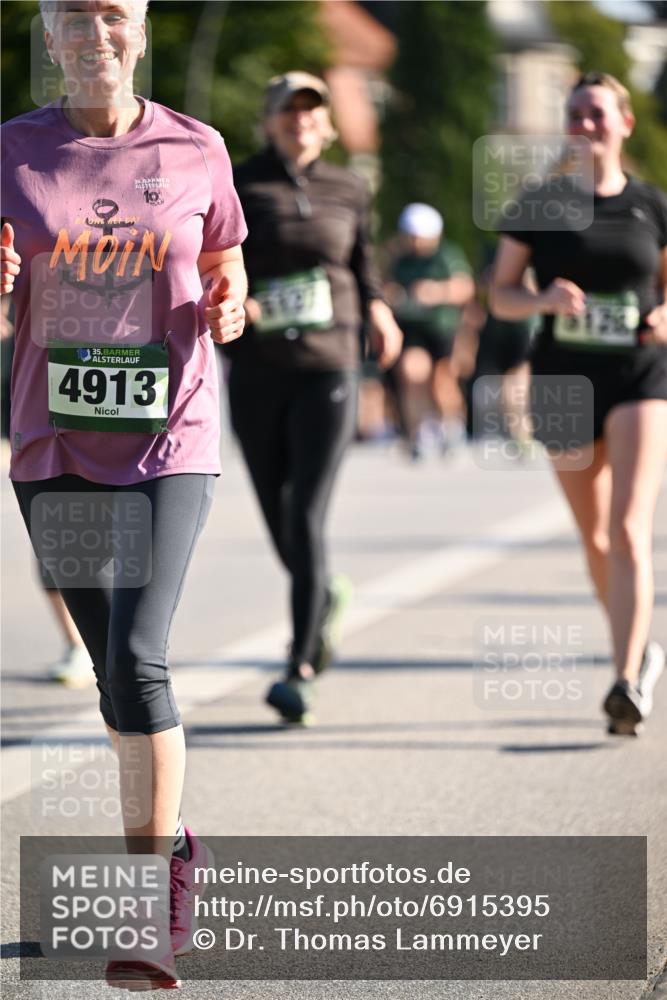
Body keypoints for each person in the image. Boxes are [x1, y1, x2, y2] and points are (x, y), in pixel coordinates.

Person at [1, 0, 247, 988]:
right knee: (109, 668)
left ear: (137, 30)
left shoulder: (197, 148)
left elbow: (227, 265)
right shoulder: (12, 150)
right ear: (50, 37)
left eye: (112, 13)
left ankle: (146, 907)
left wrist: (231, 299)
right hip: (53, 437)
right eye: (73, 14)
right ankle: (175, 837)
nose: (93, 31)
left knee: (141, 658)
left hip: (169, 434)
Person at [491, 71, 667, 736]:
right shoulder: (540, 203)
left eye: (595, 112)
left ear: (623, 122)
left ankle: (625, 680)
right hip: (561, 381)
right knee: (593, 537)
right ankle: (640, 646)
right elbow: (499, 292)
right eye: (573, 114)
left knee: (627, 529)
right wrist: (540, 300)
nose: (584, 124)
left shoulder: (650, 205)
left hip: (639, 376)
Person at [224, 71, 402, 724]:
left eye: (311, 110)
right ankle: (323, 594)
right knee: (277, 514)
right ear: (269, 120)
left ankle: (299, 665)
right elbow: (214, 256)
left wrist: (379, 310)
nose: (300, 119)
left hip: (330, 363)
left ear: (326, 123)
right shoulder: (240, 182)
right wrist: (229, 294)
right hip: (258, 364)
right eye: (287, 110)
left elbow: (361, 266)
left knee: (305, 512)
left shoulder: (348, 186)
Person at [384, 203, 474, 459]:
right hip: (413, 330)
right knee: (412, 372)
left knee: (442, 382)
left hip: (443, 329)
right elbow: (387, 286)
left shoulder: (447, 255)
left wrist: (437, 291)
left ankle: (451, 426)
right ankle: (420, 431)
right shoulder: (401, 260)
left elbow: (465, 288)